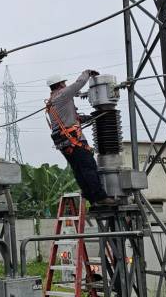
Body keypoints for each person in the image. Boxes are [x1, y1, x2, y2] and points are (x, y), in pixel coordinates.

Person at [45, 70, 116, 206]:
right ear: (60, 84)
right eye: (64, 83)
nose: (65, 85)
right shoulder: (63, 94)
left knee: (79, 170)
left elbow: (66, 120)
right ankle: (100, 197)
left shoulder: (51, 102)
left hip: (64, 143)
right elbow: (79, 84)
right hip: (74, 142)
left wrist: (88, 118)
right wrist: (87, 73)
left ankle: (90, 196)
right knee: (89, 167)